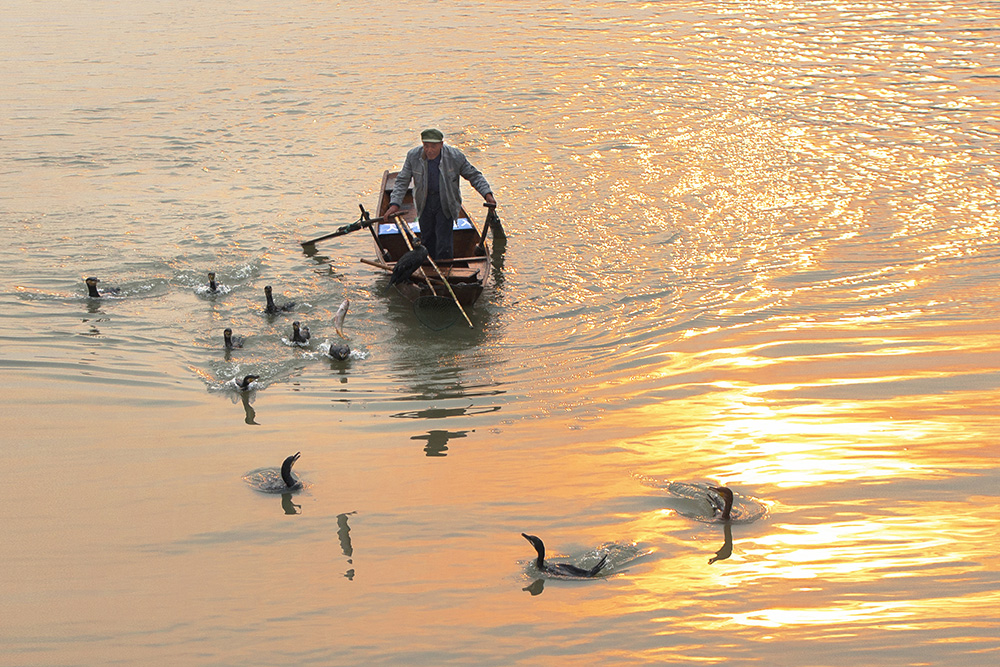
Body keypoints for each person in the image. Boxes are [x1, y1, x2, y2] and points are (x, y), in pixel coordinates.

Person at [384, 129, 497, 260]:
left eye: (433, 146)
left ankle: (446, 268)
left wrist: (487, 194)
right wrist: (394, 204)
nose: (429, 150)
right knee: (427, 238)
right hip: (424, 201)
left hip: (445, 201)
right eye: (426, 146)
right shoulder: (413, 156)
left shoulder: (454, 156)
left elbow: (474, 176)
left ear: (441, 144)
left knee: (444, 240)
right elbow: (402, 181)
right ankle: (429, 269)